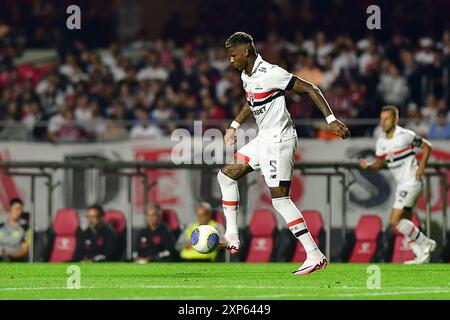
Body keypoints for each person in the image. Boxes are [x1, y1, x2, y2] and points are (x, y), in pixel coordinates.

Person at [217, 32, 350, 275]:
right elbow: (252, 102)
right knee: (225, 176)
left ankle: (314, 254)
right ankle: (232, 236)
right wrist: (234, 126)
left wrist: (330, 119)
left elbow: (311, 88)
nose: (231, 60)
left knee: (280, 200)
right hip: (263, 139)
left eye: (233, 55)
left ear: (246, 51)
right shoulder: (246, 75)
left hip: (279, 141)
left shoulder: (271, 73)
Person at [359, 105, 436, 264]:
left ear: (396, 119)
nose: (384, 122)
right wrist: (369, 165)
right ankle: (421, 255)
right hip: (402, 184)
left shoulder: (405, 135)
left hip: (412, 182)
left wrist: (421, 167)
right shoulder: (381, 141)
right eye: (382, 119)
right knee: (405, 222)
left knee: (394, 221)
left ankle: (426, 243)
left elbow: (427, 146)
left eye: (387, 119)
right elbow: (380, 163)